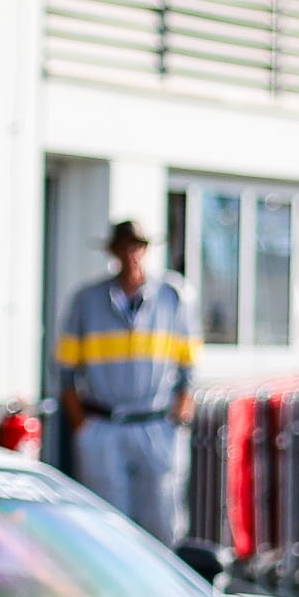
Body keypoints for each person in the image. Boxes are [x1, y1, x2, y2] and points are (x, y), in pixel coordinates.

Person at [53, 218, 195, 545]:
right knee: (105, 524)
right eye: (124, 247)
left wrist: (181, 409)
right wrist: (81, 425)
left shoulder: (172, 297)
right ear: (113, 252)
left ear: (146, 250)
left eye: (138, 246)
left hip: (156, 422)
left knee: (162, 521)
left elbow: (189, 363)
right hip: (104, 424)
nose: (131, 254)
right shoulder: (87, 300)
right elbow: (64, 369)